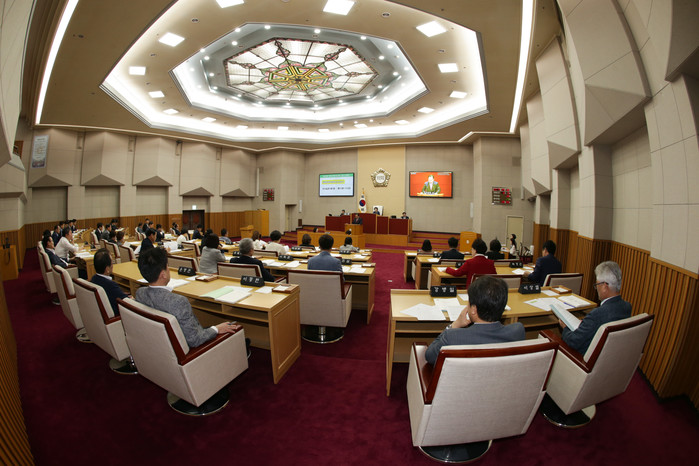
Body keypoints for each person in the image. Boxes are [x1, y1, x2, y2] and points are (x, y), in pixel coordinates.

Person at [135, 247, 239, 348]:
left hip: (159, 345)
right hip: (190, 351)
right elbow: (195, 340)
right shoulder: (178, 302)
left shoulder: (140, 293)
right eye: (167, 266)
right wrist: (216, 329)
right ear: (163, 275)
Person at [425, 275, 525, 365]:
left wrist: (454, 325)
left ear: (473, 309)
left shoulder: (451, 337)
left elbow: (429, 356)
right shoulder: (518, 330)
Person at [561, 261, 632, 355]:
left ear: (604, 287)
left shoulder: (597, 314)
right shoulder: (627, 306)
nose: (596, 289)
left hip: (583, 359)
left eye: (597, 285)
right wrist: (586, 324)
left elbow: (574, 341)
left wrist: (565, 328)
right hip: (611, 355)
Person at [90, 248, 130, 316]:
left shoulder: (93, 279)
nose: (113, 265)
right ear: (107, 269)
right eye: (112, 263)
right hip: (117, 316)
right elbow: (126, 302)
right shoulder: (111, 285)